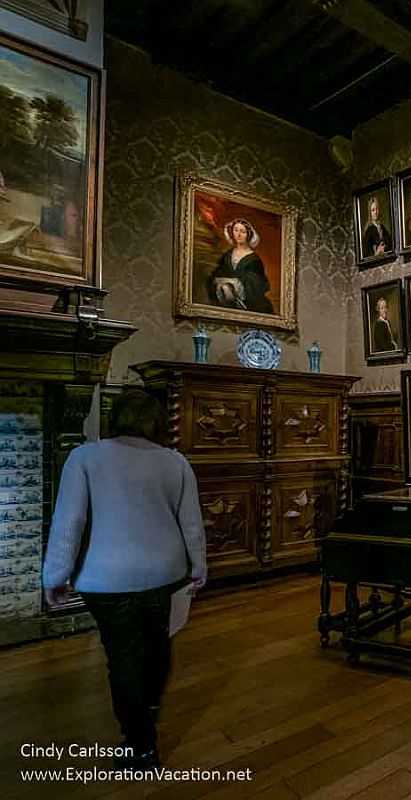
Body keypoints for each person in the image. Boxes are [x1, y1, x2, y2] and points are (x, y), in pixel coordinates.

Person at [41, 389, 207, 769]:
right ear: (158, 420)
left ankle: (140, 743)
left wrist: (55, 576)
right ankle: (148, 710)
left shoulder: (85, 457)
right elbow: (192, 525)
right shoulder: (175, 462)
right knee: (158, 645)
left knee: (124, 658)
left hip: (105, 579)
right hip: (164, 574)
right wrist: (198, 567)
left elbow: (70, 522)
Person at [206, 218, 274, 313]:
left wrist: (234, 282)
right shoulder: (227, 255)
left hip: (247, 298)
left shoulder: (254, 259)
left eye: (242, 231)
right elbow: (218, 273)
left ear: (248, 234)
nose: (238, 234)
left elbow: (257, 283)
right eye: (236, 230)